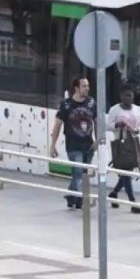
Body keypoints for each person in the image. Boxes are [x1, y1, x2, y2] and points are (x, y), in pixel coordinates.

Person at [49, 76, 96, 210]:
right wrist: (53, 145)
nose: (87, 88)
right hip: (73, 146)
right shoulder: (67, 105)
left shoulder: (91, 102)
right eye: (84, 86)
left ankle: (72, 196)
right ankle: (78, 198)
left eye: (87, 86)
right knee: (78, 172)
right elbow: (57, 125)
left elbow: (97, 121)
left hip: (88, 145)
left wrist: (98, 140)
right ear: (76, 88)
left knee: (83, 174)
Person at [107, 85, 140, 213]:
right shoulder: (114, 110)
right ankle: (132, 202)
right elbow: (108, 125)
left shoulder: (138, 109)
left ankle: (114, 193)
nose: (127, 98)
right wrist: (118, 125)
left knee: (126, 173)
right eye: (125, 95)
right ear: (121, 96)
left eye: (130, 95)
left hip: (133, 143)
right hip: (121, 144)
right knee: (126, 174)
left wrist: (136, 130)